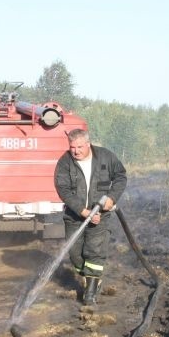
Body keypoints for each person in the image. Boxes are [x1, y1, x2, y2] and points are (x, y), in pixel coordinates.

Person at [54, 128, 127, 305]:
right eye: (72, 147)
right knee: (75, 254)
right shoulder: (65, 162)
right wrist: (82, 211)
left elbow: (120, 176)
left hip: (101, 216)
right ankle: (90, 278)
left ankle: (90, 293)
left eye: (79, 147)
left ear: (88, 144)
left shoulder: (105, 157)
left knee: (94, 250)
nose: (75, 151)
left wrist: (111, 197)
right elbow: (62, 189)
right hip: (74, 216)